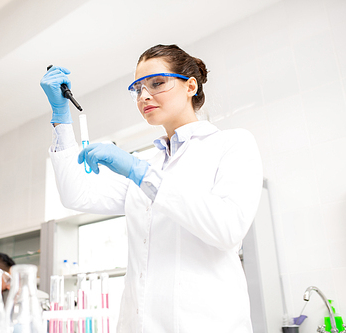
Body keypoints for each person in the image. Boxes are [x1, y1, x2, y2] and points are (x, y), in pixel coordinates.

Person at [40, 44, 263, 333]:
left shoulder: (231, 144)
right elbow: (76, 194)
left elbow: (228, 229)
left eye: (157, 83)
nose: (144, 96)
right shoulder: (150, 165)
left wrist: (140, 172)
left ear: (190, 86)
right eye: (138, 88)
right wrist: (61, 116)